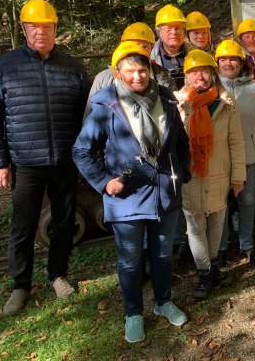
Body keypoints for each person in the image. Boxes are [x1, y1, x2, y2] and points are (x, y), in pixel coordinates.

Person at [73, 42, 191, 343]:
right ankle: (133, 313)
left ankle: (163, 302)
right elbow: (81, 151)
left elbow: (181, 142)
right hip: (127, 197)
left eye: (142, 70)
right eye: (129, 71)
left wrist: (183, 172)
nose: (137, 76)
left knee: (162, 254)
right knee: (130, 258)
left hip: (164, 192)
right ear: (118, 73)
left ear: (149, 69)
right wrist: (104, 182)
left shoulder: (166, 98)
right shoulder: (105, 104)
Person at [0, 0, 90, 316]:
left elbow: (88, 115)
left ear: (55, 28)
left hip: (65, 161)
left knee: (64, 222)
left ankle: (57, 275)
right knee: (23, 227)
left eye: (46, 26)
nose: (40, 32)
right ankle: (20, 286)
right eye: (33, 26)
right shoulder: (5, 66)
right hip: (25, 162)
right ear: (24, 28)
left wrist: (87, 156)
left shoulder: (73, 67)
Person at [174, 49, 246, 299]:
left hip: (219, 175)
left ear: (212, 74)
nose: (200, 77)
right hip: (191, 176)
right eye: (194, 72)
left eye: (204, 72)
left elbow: (236, 141)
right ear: (187, 76)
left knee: (217, 224)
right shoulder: (179, 103)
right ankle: (204, 274)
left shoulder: (226, 102)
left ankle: (214, 267)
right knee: (195, 227)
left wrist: (238, 177)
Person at [216, 39, 255, 264]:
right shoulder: (212, 88)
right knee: (220, 204)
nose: (228, 63)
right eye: (223, 59)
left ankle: (246, 244)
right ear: (217, 63)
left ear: (241, 62)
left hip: (249, 156)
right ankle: (220, 247)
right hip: (220, 158)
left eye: (233, 59)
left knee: (247, 202)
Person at [86, 22, 175, 114]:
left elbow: (173, 111)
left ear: (151, 48)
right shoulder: (104, 79)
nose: (139, 51)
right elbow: (91, 114)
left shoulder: (163, 75)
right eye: (134, 45)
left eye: (144, 47)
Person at [151, 4, 192, 89]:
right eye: (168, 29)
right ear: (159, 32)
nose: (174, 32)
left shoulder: (196, 53)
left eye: (177, 28)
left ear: (184, 31)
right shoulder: (150, 58)